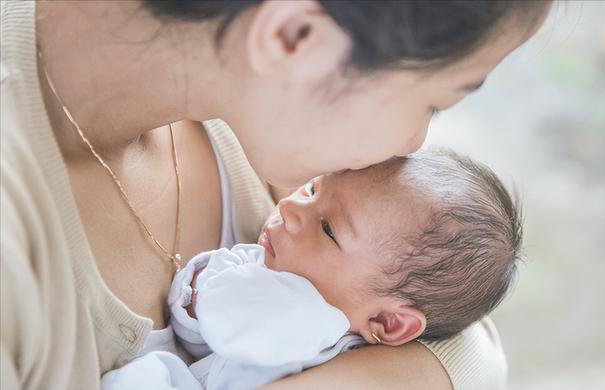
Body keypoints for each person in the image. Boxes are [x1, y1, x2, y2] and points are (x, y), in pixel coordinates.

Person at [0, 1, 551, 389]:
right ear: (294, 37)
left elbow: (469, 345)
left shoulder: (261, 121)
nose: (414, 143)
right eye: (434, 102)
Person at [101, 149, 523, 390]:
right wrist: (196, 293)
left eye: (327, 228)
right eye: (312, 187)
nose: (290, 207)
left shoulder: (329, 341)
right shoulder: (275, 267)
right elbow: (198, 332)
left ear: (388, 322)